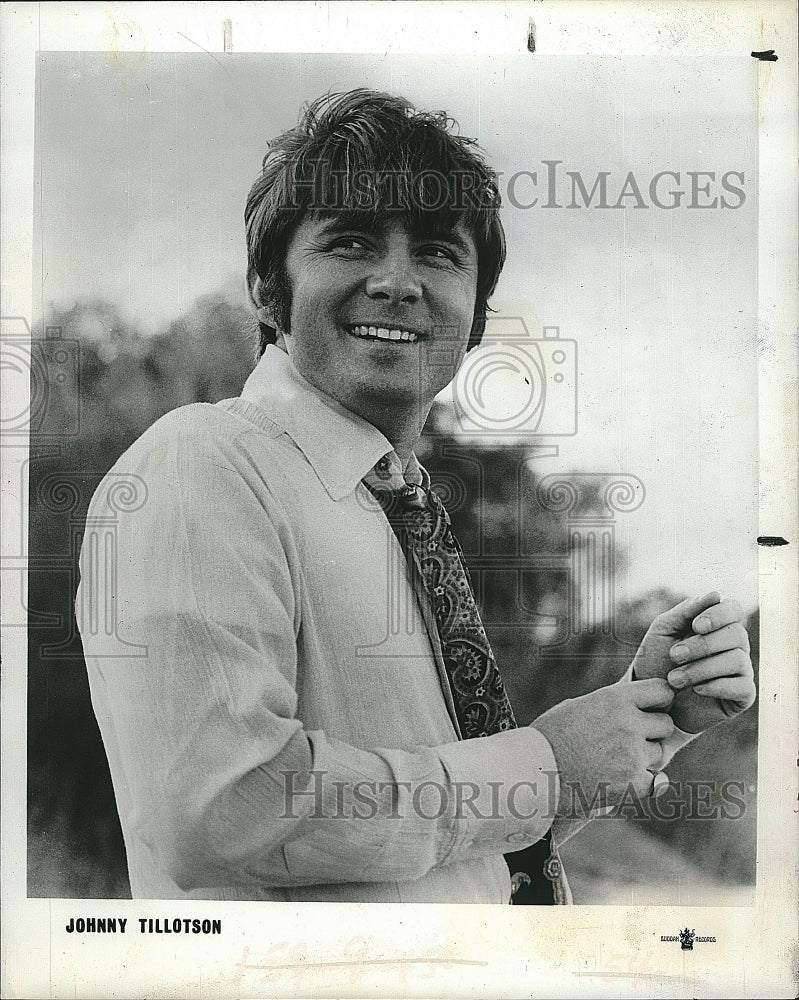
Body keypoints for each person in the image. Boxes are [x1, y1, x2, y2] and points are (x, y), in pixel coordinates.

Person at [77, 89, 756, 904]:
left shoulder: (397, 509)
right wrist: (539, 767)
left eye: (437, 252)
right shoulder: (203, 464)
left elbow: (436, 857)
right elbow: (224, 810)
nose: (396, 283)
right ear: (268, 290)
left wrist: (646, 719)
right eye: (351, 241)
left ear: (473, 320)